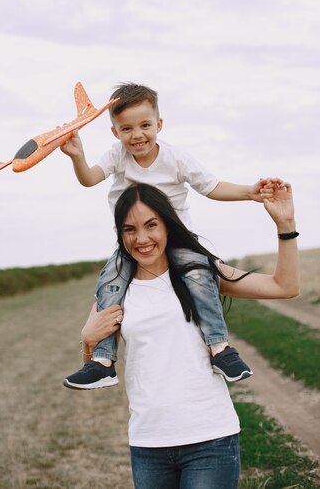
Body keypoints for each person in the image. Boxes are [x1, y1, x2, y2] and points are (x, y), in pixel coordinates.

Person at [76, 181, 299, 489]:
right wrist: (86, 338)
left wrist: (285, 225)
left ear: (167, 224)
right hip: (148, 443)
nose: (141, 239)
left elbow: (284, 287)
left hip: (210, 439)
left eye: (151, 225)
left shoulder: (200, 271)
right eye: (129, 229)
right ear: (120, 234)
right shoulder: (115, 289)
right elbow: (96, 362)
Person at [61, 83, 268, 388]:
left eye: (145, 125)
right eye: (126, 128)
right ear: (115, 132)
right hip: (133, 242)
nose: (137, 135)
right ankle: (103, 361)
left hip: (177, 239)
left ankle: (220, 348)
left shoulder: (175, 158)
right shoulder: (117, 155)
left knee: (198, 274)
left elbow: (211, 187)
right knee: (110, 280)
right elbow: (90, 178)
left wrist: (250, 193)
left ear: (159, 124)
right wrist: (77, 156)